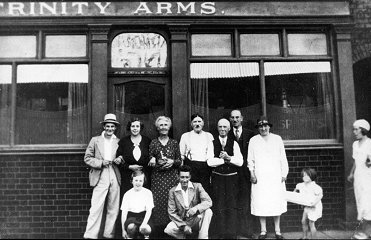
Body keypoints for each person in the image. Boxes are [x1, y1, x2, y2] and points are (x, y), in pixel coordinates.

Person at [247, 116, 289, 240]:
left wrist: (284, 174)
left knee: (276, 202)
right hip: (260, 177)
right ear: (258, 128)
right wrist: (252, 173)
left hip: (275, 176)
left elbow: (283, 157)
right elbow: (250, 159)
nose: (263, 128)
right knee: (261, 202)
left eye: (265, 126)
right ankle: (263, 230)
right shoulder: (254, 140)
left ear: (269, 127)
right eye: (261, 126)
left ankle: (277, 230)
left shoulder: (277, 139)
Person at [83, 113, 122, 239]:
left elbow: (123, 157)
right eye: (107, 126)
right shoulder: (95, 140)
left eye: (112, 126)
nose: (110, 129)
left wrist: (120, 159)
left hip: (115, 173)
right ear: (104, 127)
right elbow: (87, 158)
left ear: (115, 127)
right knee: (96, 206)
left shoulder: (118, 141)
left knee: (113, 207)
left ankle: (108, 234)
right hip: (101, 173)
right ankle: (90, 235)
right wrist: (100, 162)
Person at [208, 118, 243, 238]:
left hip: (232, 179)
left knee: (232, 205)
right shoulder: (211, 143)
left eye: (224, 127)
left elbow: (240, 162)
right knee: (219, 205)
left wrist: (229, 158)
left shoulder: (234, 143)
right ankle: (221, 233)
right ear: (217, 128)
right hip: (218, 179)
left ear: (229, 129)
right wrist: (225, 160)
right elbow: (209, 162)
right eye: (220, 127)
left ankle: (232, 233)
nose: (222, 129)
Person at [148, 116, 182, 236]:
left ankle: (172, 230)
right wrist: (154, 160)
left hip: (172, 178)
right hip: (158, 178)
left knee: (172, 203)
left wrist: (172, 162)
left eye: (165, 125)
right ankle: (159, 232)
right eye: (161, 125)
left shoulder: (174, 142)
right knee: (158, 203)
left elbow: (179, 161)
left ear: (169, 127)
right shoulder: (153, 142)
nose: (163, 127)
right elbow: (150, 159)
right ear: (157, 127)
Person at [164, 165, 213, 239]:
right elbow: (171, 212)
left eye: (187, 177)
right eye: (182, 177)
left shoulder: (197, 186)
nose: (184, 180)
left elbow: (208, 201)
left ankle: (202, 237)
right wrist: (184, 226)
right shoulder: (173, 191)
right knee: (169, 229)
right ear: (178, 177)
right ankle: (184, 236)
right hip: (182, 220)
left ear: (190, 177)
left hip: (196, 219)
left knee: (208, 211)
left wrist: (195, 208)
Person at [229, 109, 256, 238]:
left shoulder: (250, 134)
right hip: (231, 174)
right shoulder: (226, 133)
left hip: (245, 174)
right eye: (233, 117)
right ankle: (233, 231)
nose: (235, 120)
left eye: (237, 117)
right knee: (232, 202)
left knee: (245, 202)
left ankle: (247, 231)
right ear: (230, 119)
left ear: (242, 118)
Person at [347, 119, 371, 240]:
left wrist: (370, 162)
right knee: (360, 203)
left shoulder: (370, 143)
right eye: (354, 129)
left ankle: (367, 233)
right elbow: (356, 161)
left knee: (367, 204)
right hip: (358, 177)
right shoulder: (355, 144)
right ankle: (365, 232)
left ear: (363, 130)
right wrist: (351, 173)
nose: (354, 132)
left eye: (356, 129)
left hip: (368, 177)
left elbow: (369, 162)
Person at [179, 113, 214, 196]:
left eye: (199, 121)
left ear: (203, 123)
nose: (197, 124)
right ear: (191, 124)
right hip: (191, 167)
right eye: (195, 122)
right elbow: (181, 155)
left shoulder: (209, 136)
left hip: (205, 168)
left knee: (204, 191)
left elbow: (211, 154)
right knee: (191, 192)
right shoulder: (185, 136)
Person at [116, 118, 152, 195]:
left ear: (140, 128)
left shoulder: (147, 141)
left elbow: (152, 156)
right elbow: (118, 161)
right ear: (129, 127)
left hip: (144, 177)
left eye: (137, 126)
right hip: (128, 178)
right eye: (133, 126)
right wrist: (129, 167)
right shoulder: (123, 141)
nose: (135, 128)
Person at [120, 170, 154, 239]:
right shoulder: (127, 194)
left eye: (140, 181)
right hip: (131, 217)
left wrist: (144, 223)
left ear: (143, 182)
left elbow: (149, 211)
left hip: (143, 216)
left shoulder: (148, 193)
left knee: (146, 229)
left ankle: (146, 236)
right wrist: (123, 230)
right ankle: (130, 237)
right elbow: (124, 214)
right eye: (136, 180)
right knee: (131, 228)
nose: (138, 183)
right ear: (132, 181)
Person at [294, 168, 323, 240]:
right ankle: (305, 237)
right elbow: (295, 191)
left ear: (312, 176)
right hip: (307, 206)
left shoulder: (315, 186)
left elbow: (320, 195)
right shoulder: (301, 185)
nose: (305, 177)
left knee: (311, 223)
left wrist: (314, 203)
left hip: (314, 207)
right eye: (303, 176)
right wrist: (295, 196)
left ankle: (314, 238)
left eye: (307, 175)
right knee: (303, 221)